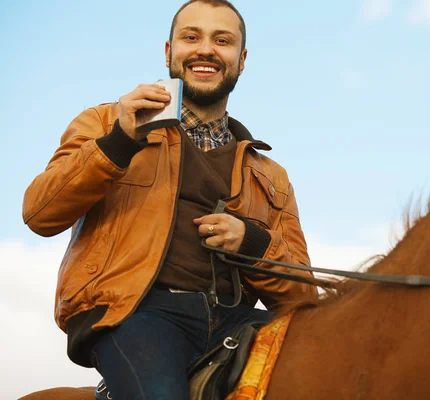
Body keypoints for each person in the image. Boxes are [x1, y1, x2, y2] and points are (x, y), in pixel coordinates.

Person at [22, 1, 317, 398]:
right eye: (191, 37)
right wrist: (119, 142)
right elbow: (40, 212)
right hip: (136, 312)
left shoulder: (271, 175)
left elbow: (303, 299)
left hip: (235, 320)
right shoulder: (106, 122)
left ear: (241, 60)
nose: (206, 49)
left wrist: (253, 242)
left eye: (223, 40)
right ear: (168, 52)